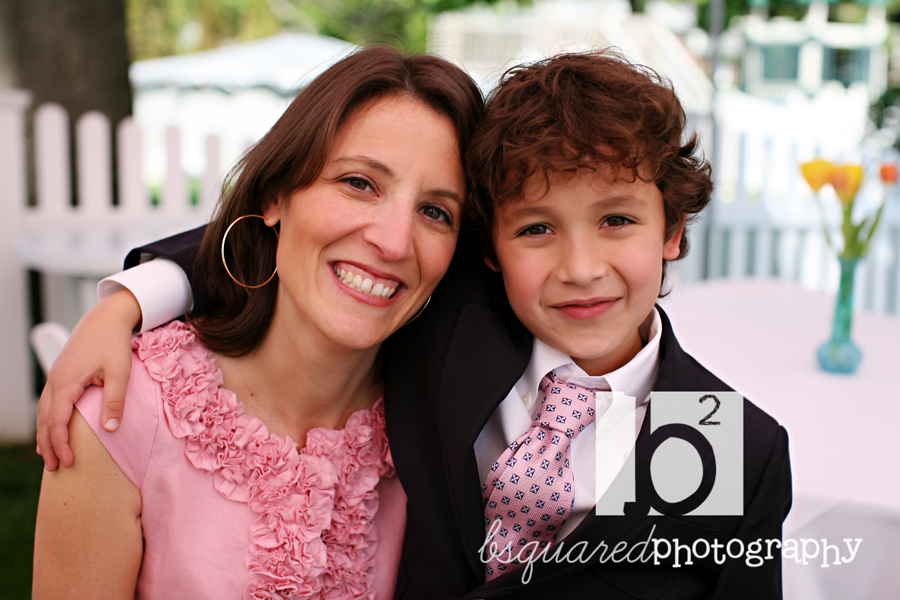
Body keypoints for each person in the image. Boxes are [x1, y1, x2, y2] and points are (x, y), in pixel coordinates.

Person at [38, 50, 791, 599]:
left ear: (673, 232)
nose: (581, 268)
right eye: (535, 230)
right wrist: (133, 296)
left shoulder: (727, 444)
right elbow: (309, 245)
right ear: (491, 250)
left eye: (618, 221)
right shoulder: (453, 342)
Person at [32, 45, 484, 600]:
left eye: (435, 212)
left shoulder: (449, 432)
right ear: (275, 196)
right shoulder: (125, 409)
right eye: (359, 183)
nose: (394, 242)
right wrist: (126, 299)